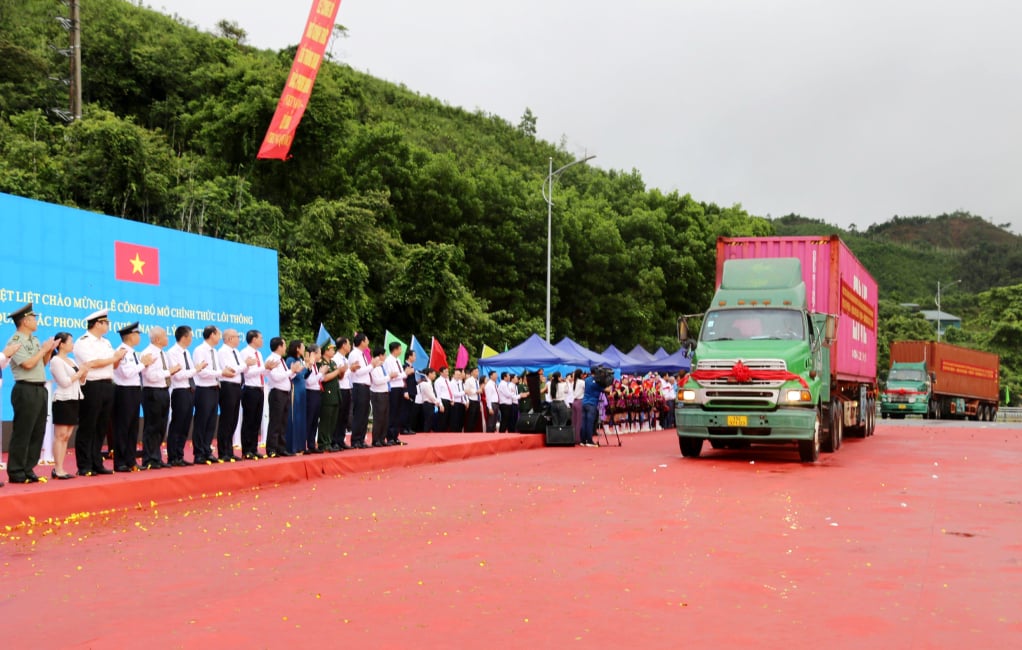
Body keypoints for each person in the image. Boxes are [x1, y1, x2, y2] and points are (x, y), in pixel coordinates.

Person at [5, 304, 55, 485]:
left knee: (37, 431)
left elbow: (41, 363)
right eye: (34, 318)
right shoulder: (15, 341)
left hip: (39, 388)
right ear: (25, 321)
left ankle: (28, 468)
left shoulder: (34, 340)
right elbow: (27, 364)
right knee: (23, 432)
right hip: (25, 389)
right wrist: (43, 350)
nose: (36, 321)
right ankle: (16, 471)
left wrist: (48, 350)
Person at [73, 309, 126, 476]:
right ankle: (84, 464)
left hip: (108, 384)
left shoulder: (106, 343)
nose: (108, 325)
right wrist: (113, 358)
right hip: (92, 385)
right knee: (88, 425)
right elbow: (92, 363)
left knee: (101, 426)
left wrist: (118, 359)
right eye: (105, 322)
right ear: (97, 324)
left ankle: (96, 462)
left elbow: (112, 365)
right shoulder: (83, 342)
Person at [192, 325, 235, 464]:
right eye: (218, 334)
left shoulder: (214, 352)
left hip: (215, 388)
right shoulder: (200, 350)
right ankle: (199, 453)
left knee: (211, 422)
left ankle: (207, 450)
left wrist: (223, 371)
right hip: (203, 389)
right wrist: (221, 373)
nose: (219, 337)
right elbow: (202, 372)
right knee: (201, 421)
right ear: (212, 335)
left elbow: (216, 369)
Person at [112, 322, 152, 472]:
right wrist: (143, 364)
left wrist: (143, 364)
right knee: (123, 427)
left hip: (134, 390)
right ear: (130, 336)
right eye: (137, 334)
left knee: (133, 427)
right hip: (124, 391)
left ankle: (130, 460)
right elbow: (127, 373)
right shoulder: (122, 351)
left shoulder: (133, 352)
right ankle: (120, 461)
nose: (139, 337)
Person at [49, 332, 88, 479]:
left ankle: (61, 468)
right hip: (63, 400)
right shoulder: (56, 361)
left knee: (67, 436)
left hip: (75, 398)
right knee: (60, 435)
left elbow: (80, 381)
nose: (73, 345)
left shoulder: (71, 360)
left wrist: (83, 374)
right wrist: (79, 374)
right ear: (62, 344)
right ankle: (57, 469)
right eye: (70, 342)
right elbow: (64, 382)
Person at [140, 327, 179, 469]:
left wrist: (173, 371)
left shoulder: (164, 353)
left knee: (162, 425)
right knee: (152, 426)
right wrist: (169, 371)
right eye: (165, 336)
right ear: (157, 339)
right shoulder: (148, 353)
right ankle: (149, 458)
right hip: (152, 392)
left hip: (164, 390)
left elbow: (166, 373)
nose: (167, 338)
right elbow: (150, 376)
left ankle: (157, 457)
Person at [166, 325, 205, 466]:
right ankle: (172, 456)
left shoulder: (186, 352)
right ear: (184, 337)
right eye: (190, 336)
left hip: (189, 390)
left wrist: (195, 370)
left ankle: (180, 455)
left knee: (186, 424)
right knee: (177, 424)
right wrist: (196, 369)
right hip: (180, 391)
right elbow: (179, 375)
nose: (192, 339)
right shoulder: (172, 353)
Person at [265, 337, 301, 457]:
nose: (285, 348)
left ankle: (281, 447)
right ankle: (272, 448)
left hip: (285, 393)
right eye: (284, 345)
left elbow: (287, 376)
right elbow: (276, 377)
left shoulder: (281, 360)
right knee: (275, 421)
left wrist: (294, 371)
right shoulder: (272, 359)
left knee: (283, 421)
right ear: (279, 346)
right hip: (277, 393)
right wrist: (291, 371)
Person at [239, 330, 272, 459]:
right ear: (253, 339)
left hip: (260, 388)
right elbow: (247, 373)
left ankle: (253, 448)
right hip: (250, 388)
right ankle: (246, 450)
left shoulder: (258, 353)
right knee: (249, 420)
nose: (262, 340)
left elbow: (260, 372)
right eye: (260, 338)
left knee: (257, 420)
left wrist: (268, 369)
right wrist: (264, 368)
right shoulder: (245, 353)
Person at [215, 328, 246, 462]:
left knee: (233, 419)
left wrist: (243, 366)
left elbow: (239, 368)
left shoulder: (236, 352)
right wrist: (245, 365)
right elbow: (232, 370)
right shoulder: (222, 352)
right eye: (236, 336)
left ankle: (229, 450)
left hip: (237, 386)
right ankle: (223, 451)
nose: (239, 338)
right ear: (228, 339)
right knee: (227, 419)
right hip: (227, 386)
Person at [284, 339, 309, 454]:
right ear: (297, 348)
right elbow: (294, 375)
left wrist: (307, 367)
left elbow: (304, 375)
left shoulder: (300, 359)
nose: (304, 349)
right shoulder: (290, 360)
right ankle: (292, 447)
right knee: (294, 418)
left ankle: (301, 446)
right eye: (302, 347)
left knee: (301, 419)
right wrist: (305, 366)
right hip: (295, 389)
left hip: (302, 389)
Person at [317, 341, 342, 452]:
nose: (333, 351)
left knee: (333, 420)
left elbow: (339, 377)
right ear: (326, 351)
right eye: (331, 349)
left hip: (335, 394)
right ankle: (323, 443)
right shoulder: (321, 363)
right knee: (325, 420)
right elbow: (325, 378)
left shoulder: (332, 362)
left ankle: (329, 441)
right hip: (327, 394)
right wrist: (338, 371)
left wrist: (342, 371)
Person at [347, 333, 371, 448]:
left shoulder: (362, 354)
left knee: (365, 413)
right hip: (358, 385)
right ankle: (356, 439)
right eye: (367, 340)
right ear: (361, 342)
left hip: (365, 386)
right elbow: (358, 371)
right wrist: (372, 366)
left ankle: (361, 439)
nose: (368, 342)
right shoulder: (354, 354)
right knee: (359, 413)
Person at [369, 346, 391, 446]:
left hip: (385, 392)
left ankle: (382, 438)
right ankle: (375, 439)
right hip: (378, 393)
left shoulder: (383, 366)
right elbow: (377, 381)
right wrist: (389, 377)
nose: (385, 356)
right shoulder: (374, 365)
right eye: (384, 354)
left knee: (385, 417)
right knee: (379, 418)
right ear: (380, 355)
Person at [333, 337, 353, 450]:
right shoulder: (336, 358)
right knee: (338, 416)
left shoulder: (345, 359)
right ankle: (335, 440)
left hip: (347, 388)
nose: (349, 346)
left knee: (345, 415)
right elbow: (340, 374)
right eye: (349, 344)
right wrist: (350, 369)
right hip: (340, 388)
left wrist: (350, 369)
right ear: (344, 345)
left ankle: (341, 440)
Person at [384, 341, 405, 445]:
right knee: (392, 413)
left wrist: (402, 374)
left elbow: (399, 374)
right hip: (393, 388)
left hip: (400, 387)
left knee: (399, 413)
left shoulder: (398, 360)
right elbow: (392, 376)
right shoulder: (389, 360)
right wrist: (405, 373)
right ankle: (390, 436)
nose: (401, 351)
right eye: (400, 348)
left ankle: (396, 436)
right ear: (395, 349)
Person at [580, 368, 607, 447]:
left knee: (584, 422)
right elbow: (606, 390)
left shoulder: (587, 379)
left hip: (584, 402)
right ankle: (589, 440)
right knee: (590, 423)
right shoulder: (597, 382)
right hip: (592, 403)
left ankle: (583, 440)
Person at [304, 344, 323, 453]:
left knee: (315, 420)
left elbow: (317, 379)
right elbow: (309, 381)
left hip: (317, 392)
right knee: (309, 419)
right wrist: (321, 374)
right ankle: (305, 444)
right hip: (310, 393)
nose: (320, 355)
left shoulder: (316, 365)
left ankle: (311, 444)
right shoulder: (308, 364)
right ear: (314, 354)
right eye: (319, 352)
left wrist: (322, 374)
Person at [418, 368, 441, 432]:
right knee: (428, 421)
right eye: (434, 374)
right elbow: (430, 395)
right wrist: (437, 402)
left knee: (430, 421)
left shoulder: (429, 382)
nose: (435, 375)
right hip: (427, 403)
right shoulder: (425, 383)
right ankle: (425, 434)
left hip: (431, 404)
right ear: (429, 374)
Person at [402, 349, 419, 434]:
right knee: (405, 410)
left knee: (410, 411)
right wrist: (405, 391)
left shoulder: (412, 367)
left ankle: (408, 427)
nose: (415, 357)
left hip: (413, 391)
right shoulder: (404, 366)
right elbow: (404, 380)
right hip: (407, 392)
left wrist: (419, 381)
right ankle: (403, 428)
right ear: (409, 356)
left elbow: (412, 381)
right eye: (414, 355)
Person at [434, 366, 453, 432]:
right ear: (441, 373)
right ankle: (440, 433)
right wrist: (441, 404)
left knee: (448, 419)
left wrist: (452, 399)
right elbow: (438, 394)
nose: (447, 373)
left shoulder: (448, 380)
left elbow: (450, 391)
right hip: (443, 401)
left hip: (449, 401)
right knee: (442, 420)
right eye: (446, 372)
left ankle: (445, 433)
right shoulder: (438, 381)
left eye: (448, 371)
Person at [464, 367, 482, 432]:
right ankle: (468, 432)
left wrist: (480, 403)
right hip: (471, 400)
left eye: (478, 371)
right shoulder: (468, 380)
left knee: (475, 418)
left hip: (477, 401)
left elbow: (479, 392)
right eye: (476, 371)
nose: (477, 373)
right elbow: (466, 390)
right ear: (472, 372)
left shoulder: (477, 380)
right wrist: (476, 391)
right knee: (470, 418)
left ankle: (472, 432)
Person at [571, 369, 585, 443]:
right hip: (580, 401)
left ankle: (573, 437)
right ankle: (578, 438)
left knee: (574, 421)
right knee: (579, 421)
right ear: (580, 374)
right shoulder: (582, 382)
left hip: (574, 401)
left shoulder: (574, 382)